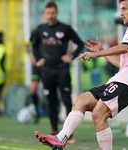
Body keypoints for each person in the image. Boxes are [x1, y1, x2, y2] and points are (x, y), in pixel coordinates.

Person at [34, 0, 128, 150]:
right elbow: (123, 63)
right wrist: (101, 51)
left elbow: (124, 48)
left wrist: (97, 54)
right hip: (122, 79)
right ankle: (61, 138)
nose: (121, 12)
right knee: (81, 101)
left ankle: (62, 139)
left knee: (98, 114)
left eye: (124, 9)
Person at [32, 1, 84, 143]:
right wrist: (38, 59)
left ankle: (68, 134)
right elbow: (34, 46)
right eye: (48, 13)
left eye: (53, 13)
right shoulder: (40, 29)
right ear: (45, 14)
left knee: (67, 100)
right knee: (51, 101)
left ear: (57, 13)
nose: (50, 16)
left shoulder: (65, 28)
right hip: (47, 71)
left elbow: (80, 44)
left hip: (62, 70)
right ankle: (54, 131)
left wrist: (71, 56)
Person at [24, 11, 49, 124]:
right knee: (33, 90)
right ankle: (37, 112)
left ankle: (54, 114)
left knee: (51, 90)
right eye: (45, 15)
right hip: (37, 66)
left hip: (48, 65)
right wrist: (31, 57)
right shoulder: (36, 31)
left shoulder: (53, 31)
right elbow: (26, 44)